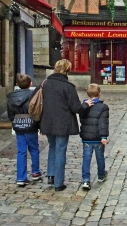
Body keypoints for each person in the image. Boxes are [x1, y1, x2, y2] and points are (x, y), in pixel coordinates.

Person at [39, 59, 92, 191]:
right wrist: (86, 105)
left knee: (52, 147)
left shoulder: (45, 83)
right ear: (67, 70)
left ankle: (51, 175)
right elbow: (76, 108)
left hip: (47, 121)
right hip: (62, 124)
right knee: (60, 150)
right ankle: (58, 183)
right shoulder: (68, 87)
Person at [6, 74, 41, 187]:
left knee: (21, 152)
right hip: (31, 125)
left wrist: (14, 122)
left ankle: (21, 177)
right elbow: (36, 110)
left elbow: (10, 113)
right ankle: (35, 172)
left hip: (19, 125)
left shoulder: (11, 97)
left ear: (17, 84)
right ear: (30, 84)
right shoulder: (32, 96)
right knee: (34, 149)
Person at [79, 84, 109, 190]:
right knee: (100, 157)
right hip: (97, 137)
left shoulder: (84, 106)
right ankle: (101, 175)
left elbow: (81, 118)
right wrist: (104, 136)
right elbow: (103, 123)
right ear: (99, 93)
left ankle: (86, 180)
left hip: (86, 137)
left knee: (86, 158)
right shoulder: (103, 107)